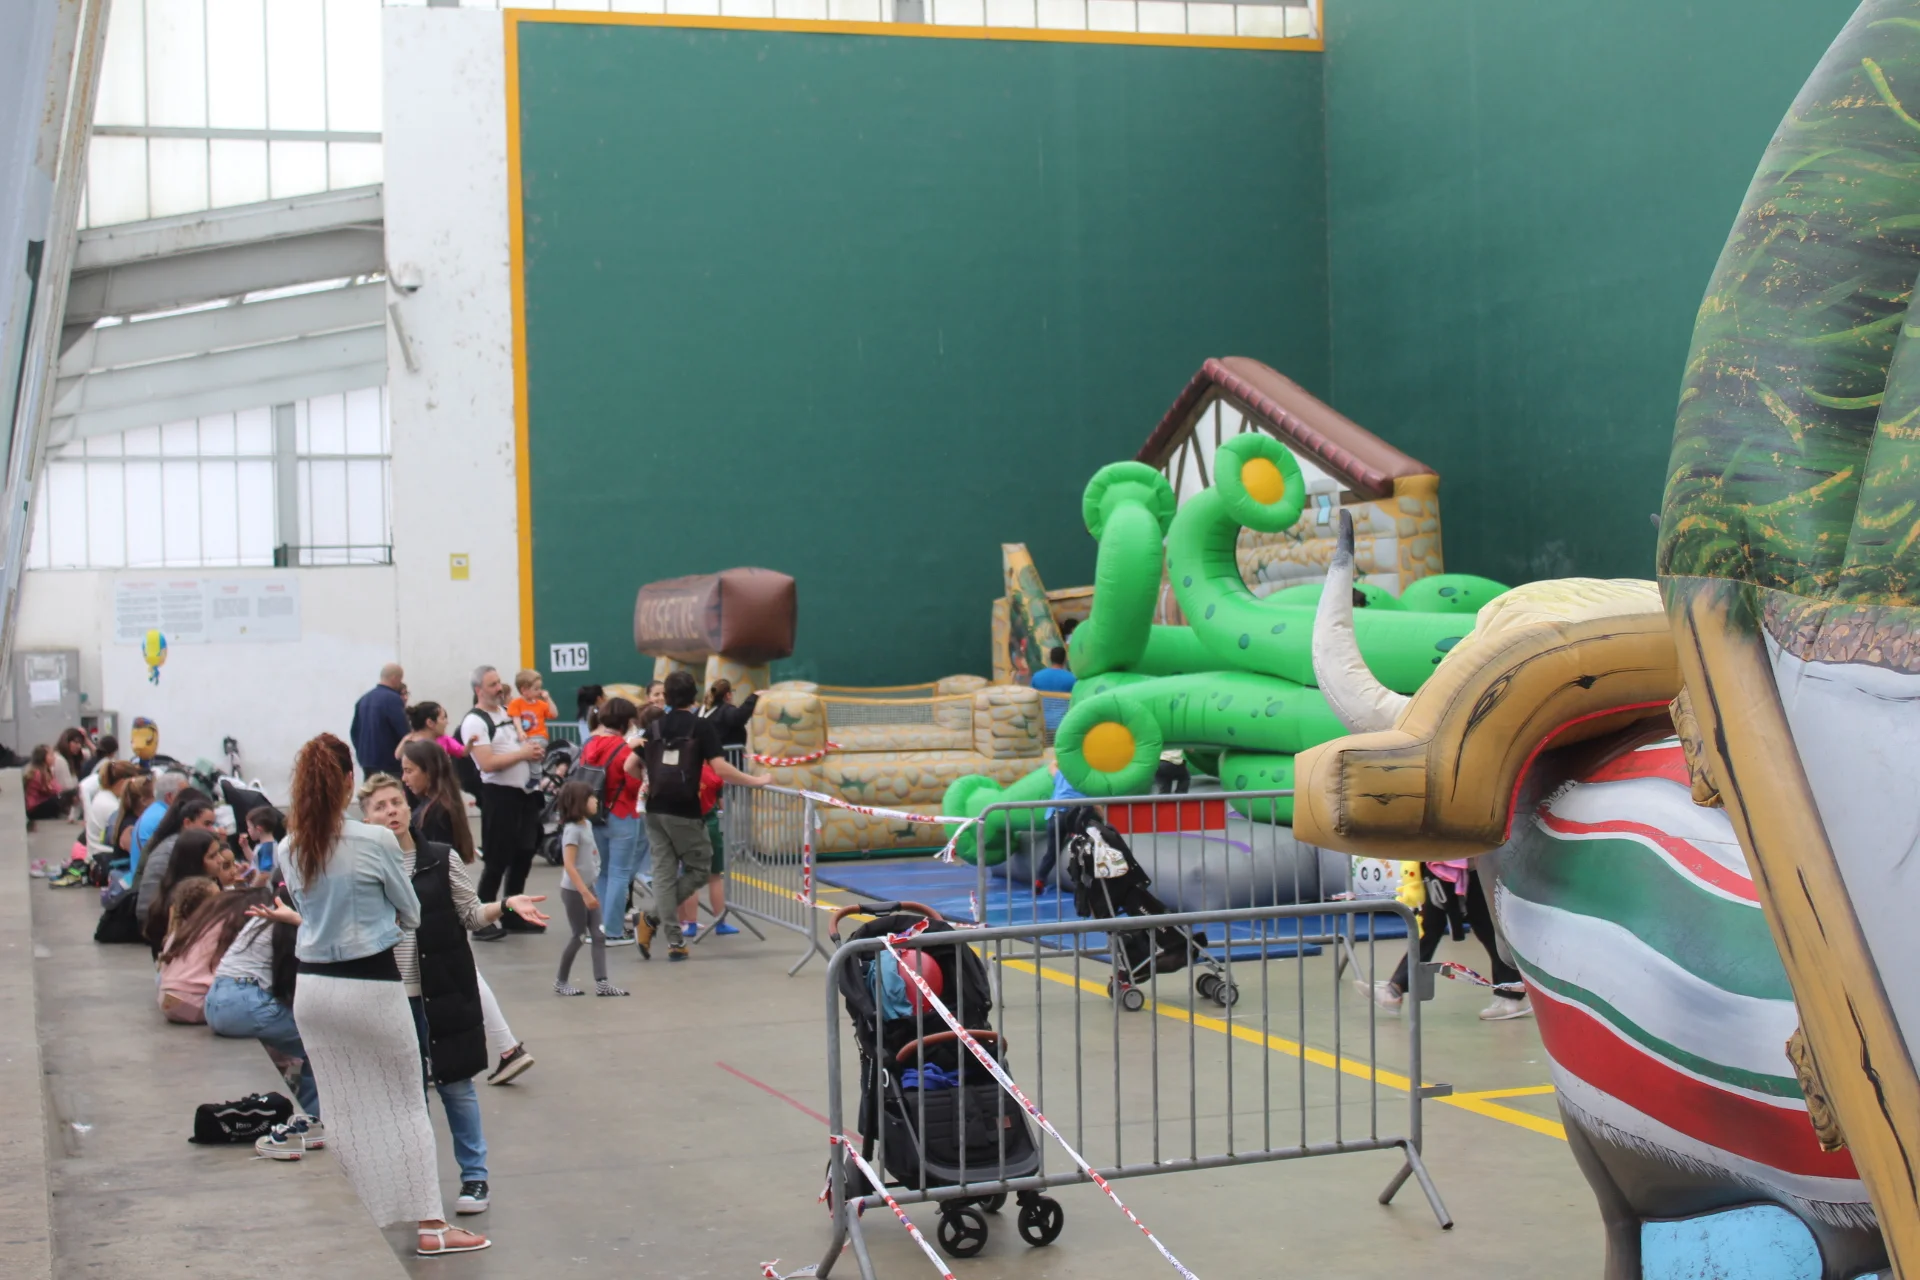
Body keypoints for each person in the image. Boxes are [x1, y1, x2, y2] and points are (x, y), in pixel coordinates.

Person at [254, 733, 489, 1256]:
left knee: (343, 1110)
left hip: (313, 989)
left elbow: (306, 911)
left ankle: (361, 1218)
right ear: (347, 783)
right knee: (406, 1103)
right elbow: (410, 912)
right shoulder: (375, 842)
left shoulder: (289, 847)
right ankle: (432, 1226)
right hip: (372, 984)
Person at [358, 772, 549, 1215]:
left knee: (456, 1086)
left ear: (408, 808)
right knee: (407, 1096)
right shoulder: (365, 868)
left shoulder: (441, 859)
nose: (391, 812)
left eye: (396, 803)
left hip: (442, 989)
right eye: (380, 807)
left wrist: (506, 905)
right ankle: (418, 1184)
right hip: (390, 996)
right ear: (366, 820)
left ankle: (475, 1178)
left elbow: (470, 914)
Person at [399, 739, 537, 1085]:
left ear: (428, 771)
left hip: (438, 914)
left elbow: (433, 864)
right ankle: (505, 1048)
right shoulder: (440, 806)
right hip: (441, 911)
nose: (404, 779)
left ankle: (504, 1048)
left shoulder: (432, 814)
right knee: (466, 978)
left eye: (409, 770)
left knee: (464, 980)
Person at [631, 671, 771, 961]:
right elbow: (720, 768)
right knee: (700, 868)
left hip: (654, 810)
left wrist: (651, 782)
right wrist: (755, 781)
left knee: (664, 874)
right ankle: (653, 918)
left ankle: (674, 941)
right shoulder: (700, 726)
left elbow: (629, 766)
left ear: (666, 697)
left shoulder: (654, 727)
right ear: (693, 695)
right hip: (685, 811)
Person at [204, 893, 321, 1146]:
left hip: (216, 1001)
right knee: (320, 1045)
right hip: (244, 1003)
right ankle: (312, 1120)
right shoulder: (294, 923)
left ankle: (306, 1112)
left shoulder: (266, 917)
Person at [1369, 864, 1531, 1021]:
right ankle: (1396, 987)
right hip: (1442, 864)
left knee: (1486, 928)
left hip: (1469, 864)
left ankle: (1513, 995)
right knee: (1429, 927)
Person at [461, 667, 545, 927]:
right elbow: (487, 763)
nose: (499, 688)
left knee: (524, 854)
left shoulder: (508, 712)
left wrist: (532, 750)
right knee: (497, 860)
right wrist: (523, 754)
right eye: (492, 685)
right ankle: (481, 919)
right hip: (500, 797)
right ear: (478, 690)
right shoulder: (475, 721)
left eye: (499, 682)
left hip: (525, 796)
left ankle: (513, 914)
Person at [579, 697, 645, 944]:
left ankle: (602, 927)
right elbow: (634, 785)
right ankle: (614, 930)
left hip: (595, 815)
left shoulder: (590, 744)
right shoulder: (625, 749)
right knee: (620, 874)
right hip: (622, 813)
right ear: (626, 722)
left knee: (604, 872)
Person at [552, 780, 625, 996]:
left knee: (598, 935)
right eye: (591, 797)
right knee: (578, 936)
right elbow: (569, 865)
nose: (596, 801)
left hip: (588, 888)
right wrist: (585, 893)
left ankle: (602, 983)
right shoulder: (572, 831)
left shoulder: (587, 825)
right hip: (575, 891)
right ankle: (561, 981)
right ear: (579, 802)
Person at [144, 828, 243, 955]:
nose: (221, 860)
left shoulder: (211, 885)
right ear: (195, 861)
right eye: (212, 856)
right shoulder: (188, 897)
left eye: (218, 853)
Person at [136, 790, 218, 929]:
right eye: (207, 824)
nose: (212, 830)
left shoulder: (172, 842)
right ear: (187, 823)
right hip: (157, 919)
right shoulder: (176, 847)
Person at [350, 663, 410, 779]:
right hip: (389, 764)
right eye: (400, 679)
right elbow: (403, 731)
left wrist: (362, 753)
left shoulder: (363, 699)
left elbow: (354, 732)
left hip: (366, 762)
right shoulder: (393, 699)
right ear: (394, 678)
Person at [129, 770, 189, 880]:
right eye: (185, 794)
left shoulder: (154, 810)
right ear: (170, 797)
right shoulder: (164, 818)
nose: (191, 798)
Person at [506, 670, 559, 745]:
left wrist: (548, 699)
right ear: (524, 690)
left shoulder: (541, 704)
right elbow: (516, 718)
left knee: (536, 744)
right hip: (524, 738)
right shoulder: (516, 703)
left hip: (539, 737)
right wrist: (520, 731)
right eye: (536, 689)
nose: (539, 691)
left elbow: (554, 715)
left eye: (540, 688)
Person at [24, 746, 64, 828]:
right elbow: (54, 789)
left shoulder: (46, 771)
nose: (54, 757)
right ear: (43, 758)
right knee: (58, 800)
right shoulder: (38, 773)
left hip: (40, 805)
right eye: (51, 755)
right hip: (34, 809)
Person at [240, 805, 285, 874]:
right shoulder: (264, 845)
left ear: (259, 829)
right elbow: (255, 861)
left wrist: (255, 881)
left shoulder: (267, 848)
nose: (248, 830)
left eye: (249, 827)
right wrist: (245, 847)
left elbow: (265, 873)